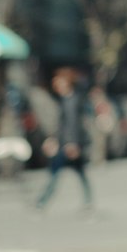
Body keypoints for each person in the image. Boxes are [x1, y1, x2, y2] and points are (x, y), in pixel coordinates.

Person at [35, 68, 94, 212]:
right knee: (70, 174)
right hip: (65, 144)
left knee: (61, 174)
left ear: (67, 83)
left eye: (59, 82)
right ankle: (87, 202)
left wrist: (72, 144)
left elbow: (74, 125)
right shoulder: (65, 100)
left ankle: (43, 202)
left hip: (70, 145)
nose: (56, 85)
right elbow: (61, 126)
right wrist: (53, 140)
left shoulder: (73, 101)